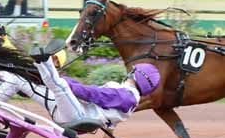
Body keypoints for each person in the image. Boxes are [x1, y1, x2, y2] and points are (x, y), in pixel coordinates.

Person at [26, 39, 160, 128]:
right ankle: (40, 63)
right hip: (75, 111)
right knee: (23, 83)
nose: (129, 72)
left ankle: (43, 60)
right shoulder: (127, 95)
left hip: (78, 116)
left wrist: (67, 83)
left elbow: (93, 93)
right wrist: (68, 81)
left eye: (133, 71)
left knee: (61, 86)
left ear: (136, 75)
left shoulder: (126, 96)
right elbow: (91, 91)